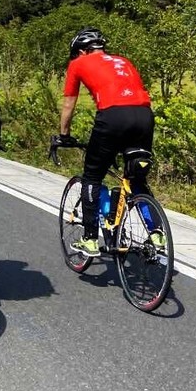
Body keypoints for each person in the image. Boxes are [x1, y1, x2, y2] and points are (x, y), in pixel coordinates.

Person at [57, 27, 155, 257]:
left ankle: (90, 239)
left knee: (92, 176)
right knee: (136, 177)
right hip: (144, 116)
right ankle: (157, 232)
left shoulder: (78, 63)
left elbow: (69, 104)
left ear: (81, 51)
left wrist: (63, 134)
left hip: (113, 116)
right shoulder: (123, 61)